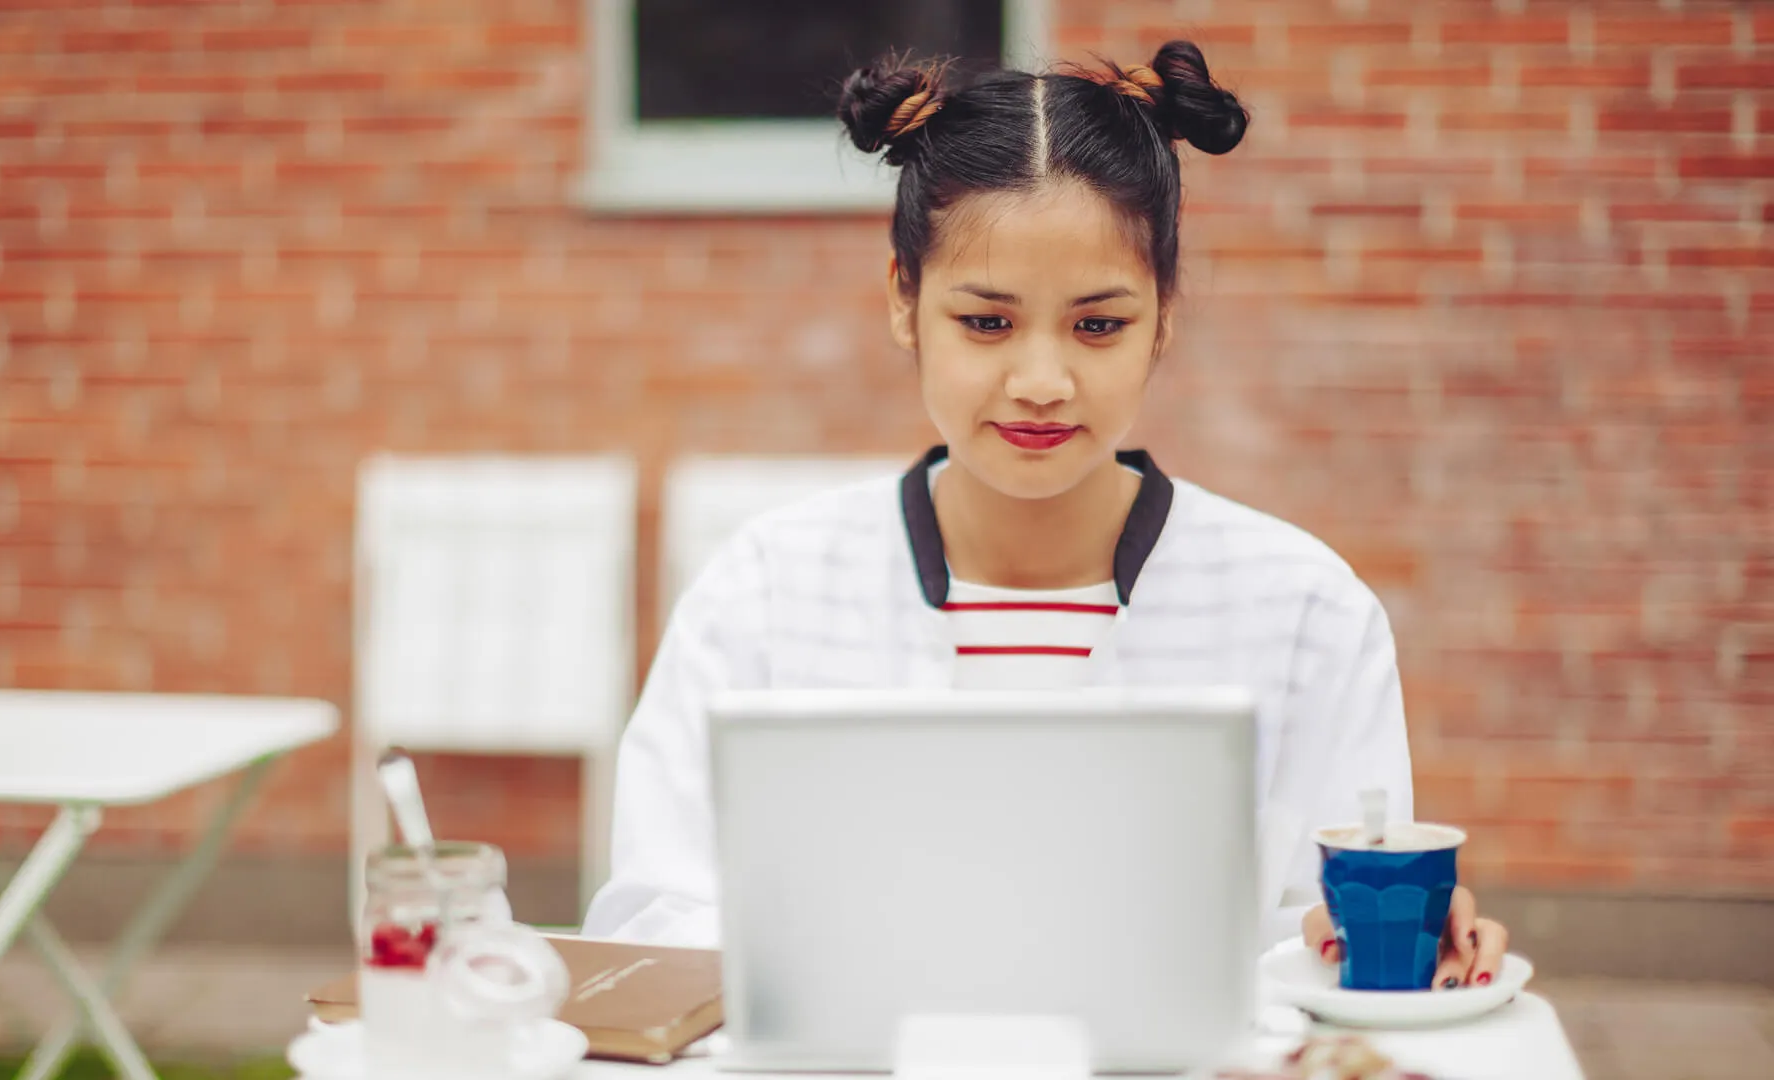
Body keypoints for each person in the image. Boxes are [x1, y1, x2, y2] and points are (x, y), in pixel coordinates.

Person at [583, 41, 1508, 990]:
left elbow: (1321, 934)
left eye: (1098, 325)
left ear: (1164, 318)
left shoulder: (1305, 609)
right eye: (985, 322)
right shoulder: (768, 590)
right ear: (905, 301)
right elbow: (658, 917)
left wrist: (1367, 935)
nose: (1040, 383)